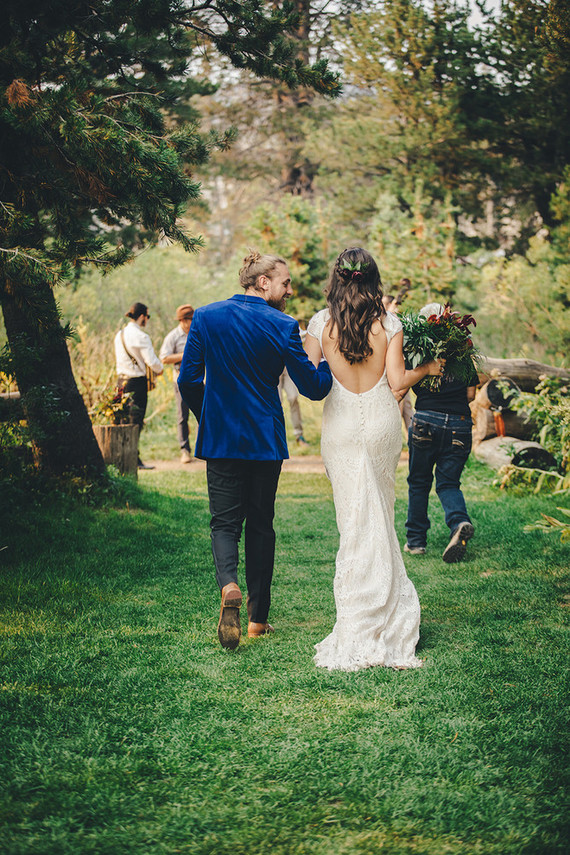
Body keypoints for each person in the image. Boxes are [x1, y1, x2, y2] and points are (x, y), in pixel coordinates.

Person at [178, 250, 332, 650]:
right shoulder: (282, 325)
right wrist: (331, 359)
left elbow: (189, 380)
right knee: (261, 525)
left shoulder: (207, 317)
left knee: (224, 523)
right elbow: (313, 388)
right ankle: (257, 621)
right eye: (285, 282)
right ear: (263, 282)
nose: (289, 290)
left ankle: (229, 584)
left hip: (222, 439)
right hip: (264, 441)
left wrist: (209, 416)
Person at [305, 247, 443, 671]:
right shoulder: (390, 324)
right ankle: (386, 614)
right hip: (382, 420)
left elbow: (310, 377)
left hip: (342, 424)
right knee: (380, 512)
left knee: (352, 518)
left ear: (337, 279)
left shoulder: (320, 324)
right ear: (373, 279)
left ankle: (356, 617)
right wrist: (431, 367)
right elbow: (398, 382)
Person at [403, 302, 478, 563]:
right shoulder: (464, 353)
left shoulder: (418, 350)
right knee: (448, 483)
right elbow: (470, 394)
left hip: (425, 420)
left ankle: (416, 542)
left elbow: (406, 382)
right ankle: (458, 523)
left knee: (419, 482)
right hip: (459, 423)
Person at [114, 302, 163, 470]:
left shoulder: (119, 335)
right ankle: (134, 458)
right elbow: (152, 362)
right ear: (142, 316)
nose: (147, 320)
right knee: (136, 422)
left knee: (121, 420)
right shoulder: (142, 337)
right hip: (136, 383)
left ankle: (121, 456)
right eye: (147, 317)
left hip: (120, 383)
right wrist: (160, 368)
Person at [160, 304, 195, 464]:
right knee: (183, 416)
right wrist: (184, 355)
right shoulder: (173, 336)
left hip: (200, 380)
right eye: (190, 319)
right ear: (183, 320)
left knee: (205, 414)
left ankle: (205, 449)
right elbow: (165, 358)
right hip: (180, 380)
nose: (192, 322)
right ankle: (185, 450)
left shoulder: (196, 332)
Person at [279, 367, 309, 448]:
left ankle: (299, 436)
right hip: (273, 365)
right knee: (277, 401)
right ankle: (276, 437)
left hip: (287, 367)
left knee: (293, 397)